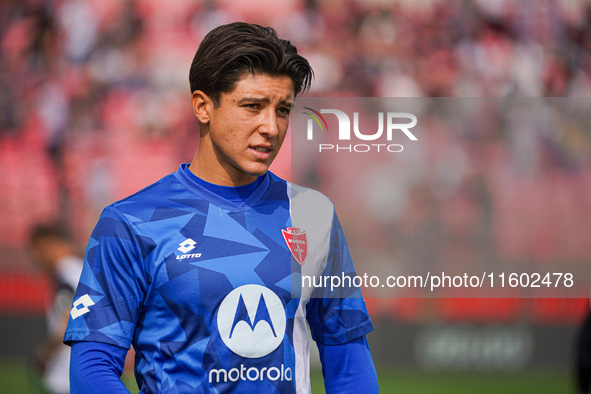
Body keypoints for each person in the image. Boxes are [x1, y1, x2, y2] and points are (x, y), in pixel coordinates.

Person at [64, 22, 379, 393]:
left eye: (283, 110)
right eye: (252, 106)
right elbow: (92, 370)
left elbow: (348, 360)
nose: (272, 127)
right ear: (202, 106)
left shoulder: (313, 213)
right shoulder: (130, 223)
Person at [29, 223, 83, 394]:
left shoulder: (65, 273)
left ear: (49, 243)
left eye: (35, 249)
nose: (34, 256)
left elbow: (66, 324)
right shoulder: (83, 268)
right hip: (88, 369)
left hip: (66, 375)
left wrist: (42, 356)